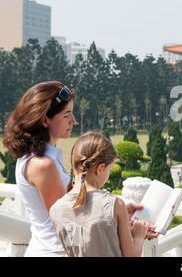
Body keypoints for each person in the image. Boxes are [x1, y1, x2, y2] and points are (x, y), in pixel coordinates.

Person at [50, 132, 159, 256]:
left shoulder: (55, 210)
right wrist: (138, 236)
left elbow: (88, 241)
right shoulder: (115, 204)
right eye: (110, 169)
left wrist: (119, 222)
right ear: (100, 168)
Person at [2, 81, 78, 256]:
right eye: (67, 115)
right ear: (45, 120)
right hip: (54, 251)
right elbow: (66, 219)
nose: (74, 121)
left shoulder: (41, 158)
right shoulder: (42, 164)